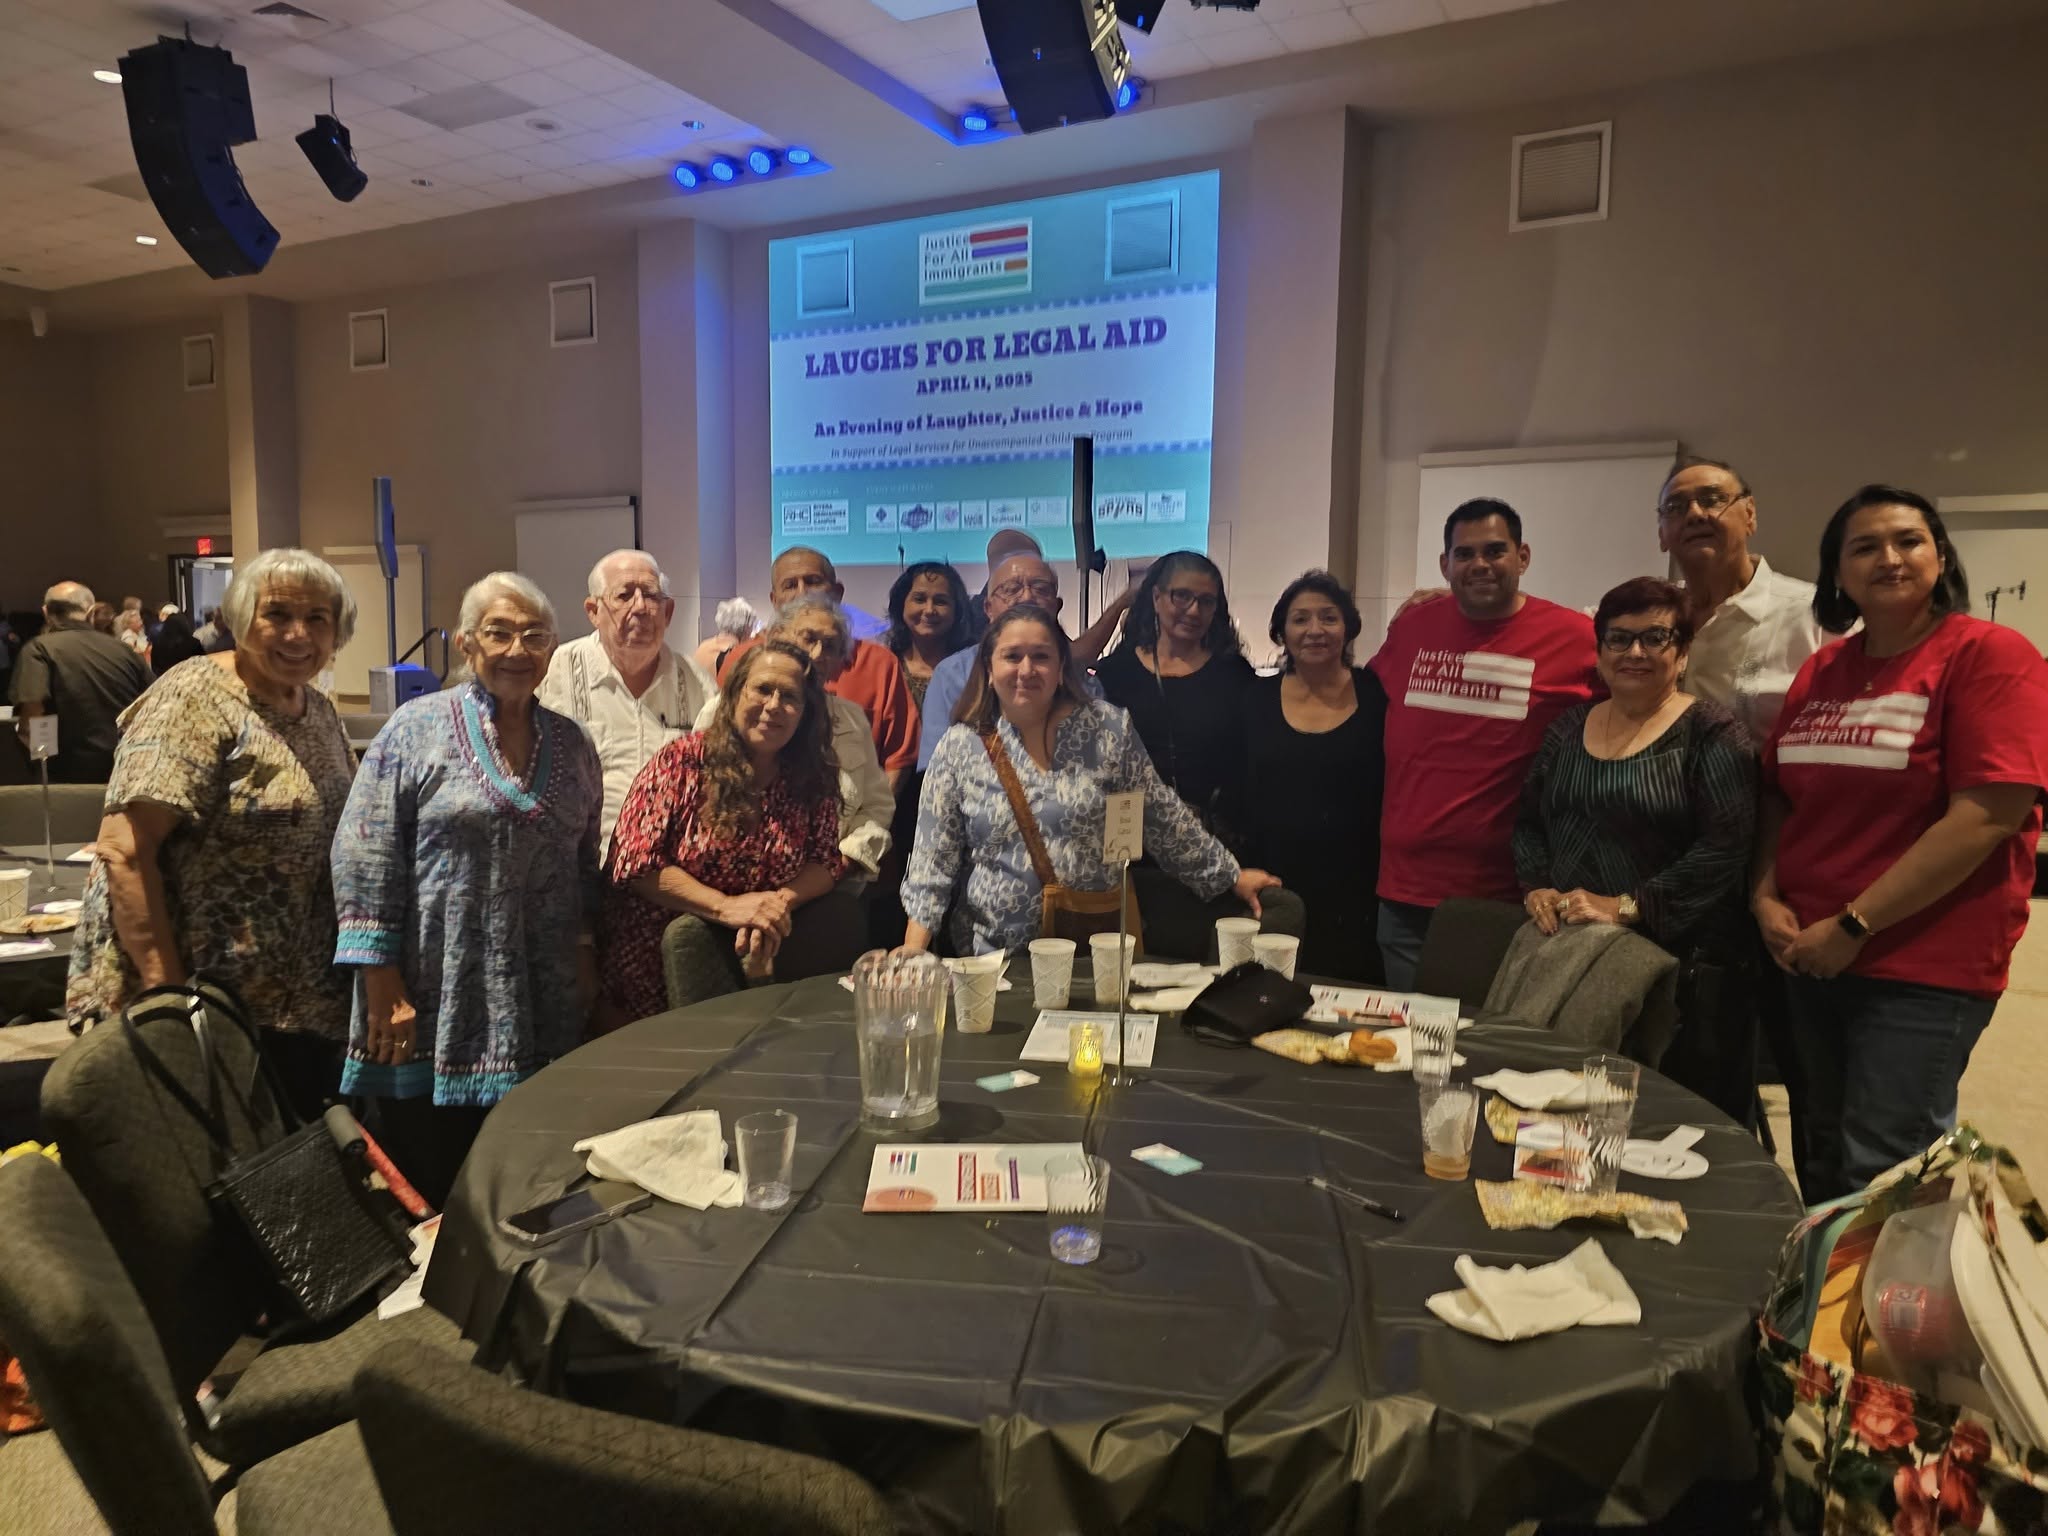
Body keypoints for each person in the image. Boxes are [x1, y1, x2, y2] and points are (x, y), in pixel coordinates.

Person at [1756, 486, 2048, 1202]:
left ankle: (1895, 1285)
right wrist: (1762, 895)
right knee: (1821, 1146)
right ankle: (1823, 1281)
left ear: (1939, 556)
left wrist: (1854, 924)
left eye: (1908, 541)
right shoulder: (1824, 669)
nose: (1889, 558)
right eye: (1864, 547)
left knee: (1886, 1166)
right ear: (1837, 573)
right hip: (1808, 951)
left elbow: (1987, 816)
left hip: (1920, 962)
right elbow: (1779, 791)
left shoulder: (1990, 656)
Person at [333, 572, 602, 1207]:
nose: (516, 650)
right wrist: (380, 979)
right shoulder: (414, 729)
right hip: (432, 991)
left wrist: (587, 952)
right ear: (466, 643)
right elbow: (364, 850)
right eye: (499, 633)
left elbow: (584, 862)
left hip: (542, 994)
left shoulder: (571, 742)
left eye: (534, 636)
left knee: (530, 1177)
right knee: (432, 1178)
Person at [65, 551, 360, 1118]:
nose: (298, 634)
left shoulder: (317, 708)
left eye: (317, 618)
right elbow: (125, 851)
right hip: (206, 1000)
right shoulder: (193, 696)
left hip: (294, 1005)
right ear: (241, 618)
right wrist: (169, 999)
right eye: (277, 615)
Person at [902, 605, 1281, 957]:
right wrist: (913, 949)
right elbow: (933, 856)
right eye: (1012, 656)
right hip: (994, 958)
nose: (1027, 669)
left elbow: (1160, 816)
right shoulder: (960, 746)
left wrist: (1229, 876)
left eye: (1041, 656)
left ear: (1061, 666)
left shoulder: (1106, 730)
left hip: (1092, 953)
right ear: (989, 667)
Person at [1513, 577, 1757, 1120]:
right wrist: (1539, 887)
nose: (1636, 652)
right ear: (1600, 652)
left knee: (1657, 1126)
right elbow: (1529, 822)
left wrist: (1629, 906)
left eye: (1655, 637)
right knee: (1556, 1113)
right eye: (1619, 639)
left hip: (1681, 972)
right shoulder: (1567, 729)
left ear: (1683, 652)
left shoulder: (1712, 733)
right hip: (1574, 954)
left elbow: (1725, 847)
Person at [1658, 453, 1831, 1169]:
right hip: (1676, 876)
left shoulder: (1813, 617)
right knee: (1692, 1062)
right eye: (1678, 506)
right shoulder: (1655, 618)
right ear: (1662, 532)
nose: (1696, 514)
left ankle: (1825, 1223)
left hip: (1783, 876)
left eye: (1714, 499)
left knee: (1811, 1075)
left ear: (1750, 514)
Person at [1369, 499, 1600, 988]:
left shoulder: (1578, 638)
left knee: (1492, 1032)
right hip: (1404, 890)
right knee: (1404, 1033)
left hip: (1512, 897)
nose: (1479, 564)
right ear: (1444, 564)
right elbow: (1364, 705)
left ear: (1523, 556)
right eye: (1464, 554)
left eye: (1495, 551)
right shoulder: (1413, 626)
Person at [604, 640, 848, 1021]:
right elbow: (634, 863)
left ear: (806, 712)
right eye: (763, 689)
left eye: (790, 697)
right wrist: (727, 907)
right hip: (660, 968)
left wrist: (774, 904)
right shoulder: (681, 762)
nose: (773, 705)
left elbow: (826, 862)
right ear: (735, 693)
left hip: (763, 960)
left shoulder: (811, 776)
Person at [1242, 572, 1389, 982]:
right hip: (1273, 877)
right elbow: (1238, 789)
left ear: (1348, 628)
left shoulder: (1376, 693)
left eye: (1329, 617)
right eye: (1300, 619)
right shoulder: (1254, 699)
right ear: (1282, 632)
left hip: (1359, 880)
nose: (1315, 630)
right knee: (1268, 986)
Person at [693, 596, 893, 885]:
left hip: (831, 884)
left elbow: (877, 805)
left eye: (831, 646)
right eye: (808, 638)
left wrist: (844, 860)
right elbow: (694, 795)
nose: (818, 654)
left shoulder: (852, 720)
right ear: (777, 638)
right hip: (736, 882)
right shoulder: (725, 709)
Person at [535, 549, 714, 852]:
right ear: (593, 611)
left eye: (651, 596)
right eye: (624, 595)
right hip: (581, 861)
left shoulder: (698, 685)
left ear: (668, 612)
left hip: (667, 866)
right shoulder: (556, 671)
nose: (640, 607)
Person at [721, 548, 919, 790]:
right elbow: (720, 747)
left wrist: (872, 811)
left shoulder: (879, 664)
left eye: (813, 581)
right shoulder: (741, 660)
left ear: (837, 592)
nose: (802, 592)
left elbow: (897, 760)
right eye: (790, 585)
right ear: (774, 600)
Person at [916, 552, 1105, 771]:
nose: (1027, 597)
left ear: (1057, 605)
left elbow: (1104, 764)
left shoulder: (1083, 678)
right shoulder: (952, 674)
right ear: (988, 608)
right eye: (1011, 589)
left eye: (1040, 588)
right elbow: (936, 769)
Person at [10, 581, 151, 784]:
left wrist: (42, 765)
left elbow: (33, 715)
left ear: (46, 612)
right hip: (125, 770)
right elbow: (153, 703)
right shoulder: (124, 650)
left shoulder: (39, 649)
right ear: (91, 612)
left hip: (67, 776)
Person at [884, 561, 975, 713]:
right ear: (901, 604)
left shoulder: (973, 669)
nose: (929, 610)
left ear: (957, 610)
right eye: (919, 599)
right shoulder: (886, 667)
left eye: (940, 602)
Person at [691, 596, 759, 680]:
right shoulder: (733, 654)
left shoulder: (703, 646)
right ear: (746, 627)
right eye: (752, 626)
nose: (752, 631)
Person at [148, 611, 205, 678]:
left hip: (166, 681)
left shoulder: (157, 644)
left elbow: (155, 668)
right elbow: (203, 664)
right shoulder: (194, 643)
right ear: (185, 625)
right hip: (191, 679)